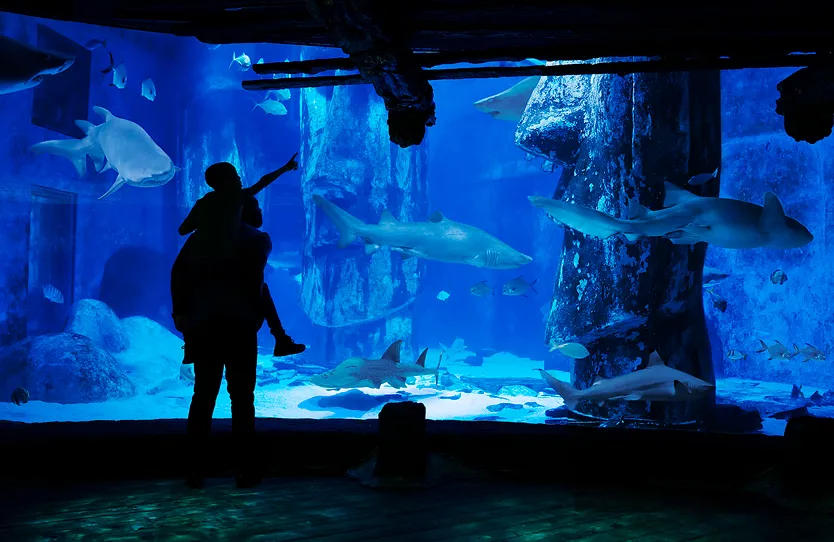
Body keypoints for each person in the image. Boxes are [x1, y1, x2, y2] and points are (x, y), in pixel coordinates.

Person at [171, 195, 298, 489]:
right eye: (256, 207)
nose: (260, 210)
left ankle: (194, 469)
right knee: (242, 400)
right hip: (240, 329)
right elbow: (258, 289)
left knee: (203, 398)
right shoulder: (258, 240)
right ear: (243, 210)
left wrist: (181, 313)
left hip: (204, 328)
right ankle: (244, 470)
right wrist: (276, 331)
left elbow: (178, 274)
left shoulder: (199, 238)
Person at [177, 153, 298, 263]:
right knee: (263, 241)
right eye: (235, 175)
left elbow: (183, 230)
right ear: (226, 181)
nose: (239, 178)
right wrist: (285, 168)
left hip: (201, 258)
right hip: (226, 258)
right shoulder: (235, 197)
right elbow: (263, 182)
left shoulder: (203, 202)